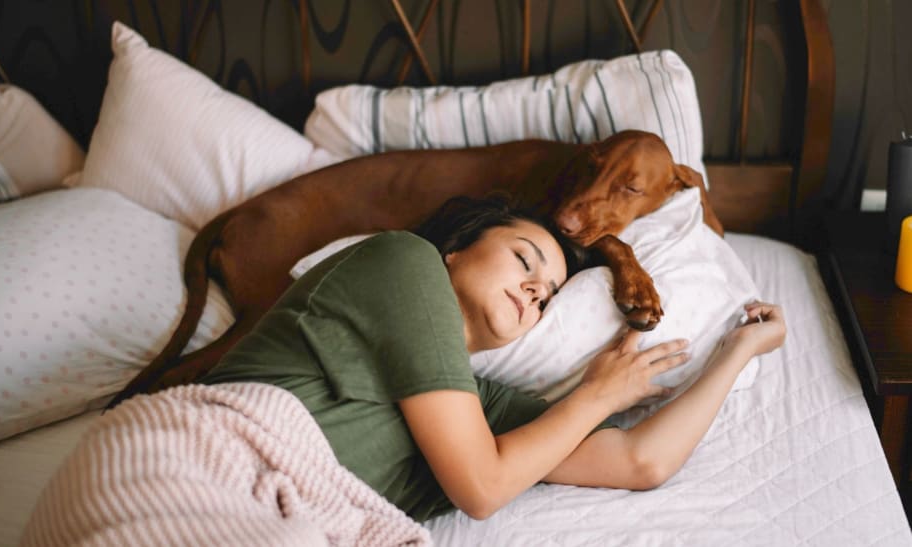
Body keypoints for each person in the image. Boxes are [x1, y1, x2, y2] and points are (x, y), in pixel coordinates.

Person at [197, 194, 787, 522]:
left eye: (548, 296)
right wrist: (597, 396)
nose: (536, 290)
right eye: (525, 260)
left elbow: (642, 461)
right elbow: (481, 488)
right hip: (205, 463)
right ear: (456, 250)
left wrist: (738, 351)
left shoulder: (479, 416)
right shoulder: (404, 262)